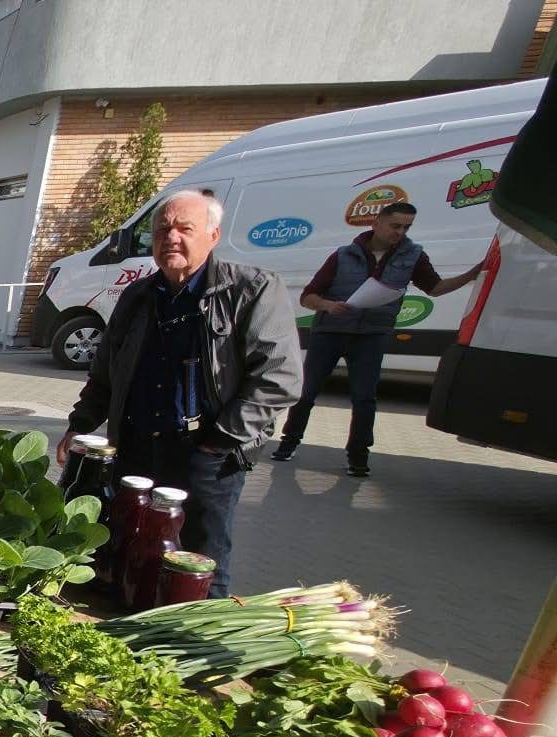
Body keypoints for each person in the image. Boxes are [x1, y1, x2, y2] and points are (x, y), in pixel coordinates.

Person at [55, 189, 301, 599]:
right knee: (133, 549)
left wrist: (219, 440)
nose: (171, 238)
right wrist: (79, 425)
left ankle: (197, 640)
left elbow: (280, 378)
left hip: (208, 454)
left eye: (185, 228)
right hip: (136, 449)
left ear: (213, 235)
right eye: (162, 229)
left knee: (201, 558)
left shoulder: (251, 290)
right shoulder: (138, 297)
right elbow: (105, 373)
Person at [271, 201, 484, 476]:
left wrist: (471, 274)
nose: (400, 232)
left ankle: (358, 456)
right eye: (395, 225)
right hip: (330, 332)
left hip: (371, 335)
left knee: (364, 398)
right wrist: (328, 306)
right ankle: (288, 444)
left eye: (406, 227)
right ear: (377, 224)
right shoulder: (344, 255)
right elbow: (308, 295)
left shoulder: (413, 256)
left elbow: (436, 288)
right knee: (308, 392)